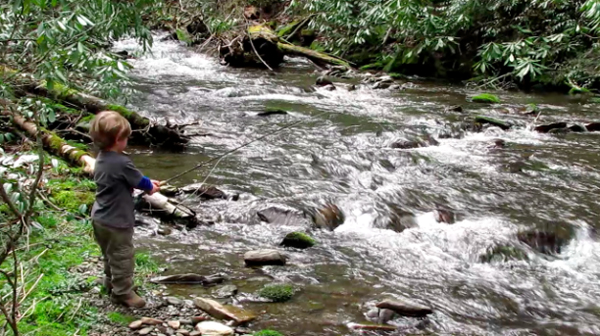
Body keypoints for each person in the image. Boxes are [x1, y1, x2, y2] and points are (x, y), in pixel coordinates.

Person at [89, 111, 161, 308]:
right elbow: (139, 181)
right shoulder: (122, 162)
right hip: (117, 221)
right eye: (126, 137)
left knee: (109, 253)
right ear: (119, 140)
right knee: (122, 257)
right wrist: (151, 187)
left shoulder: (101, 158)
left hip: (100, 217)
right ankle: (122, 293)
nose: (128, 140)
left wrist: (145, 183)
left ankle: (110, 282)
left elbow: (129, 179)